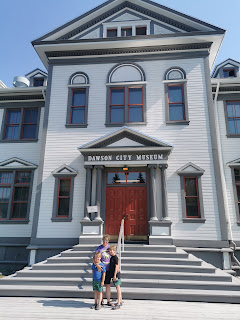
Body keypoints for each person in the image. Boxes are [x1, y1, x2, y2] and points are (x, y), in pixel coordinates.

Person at [95, 234, 113, 306]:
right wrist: (97, 265)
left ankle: (108, 301)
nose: (105, 241)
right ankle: (101, 300)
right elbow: (94, 258)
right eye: (104, 240)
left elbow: (115, 256)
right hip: (101, 269)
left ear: (108, 241)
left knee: (107, 285)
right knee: (101, 285)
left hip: (108, 269)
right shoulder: (99, 248)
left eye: (106, 240)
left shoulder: (110, 248)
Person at [108, 245, 123, 310]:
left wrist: (114, 275)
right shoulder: (111, 257)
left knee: (118, 287)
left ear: (114, 251)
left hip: (116, 275)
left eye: (112, 250)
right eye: (110, 251)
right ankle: (121, 300)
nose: (110, 252)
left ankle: (119, 303)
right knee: (117, 287)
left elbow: (117, 266)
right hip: (113, 274)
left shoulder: (115, 257)